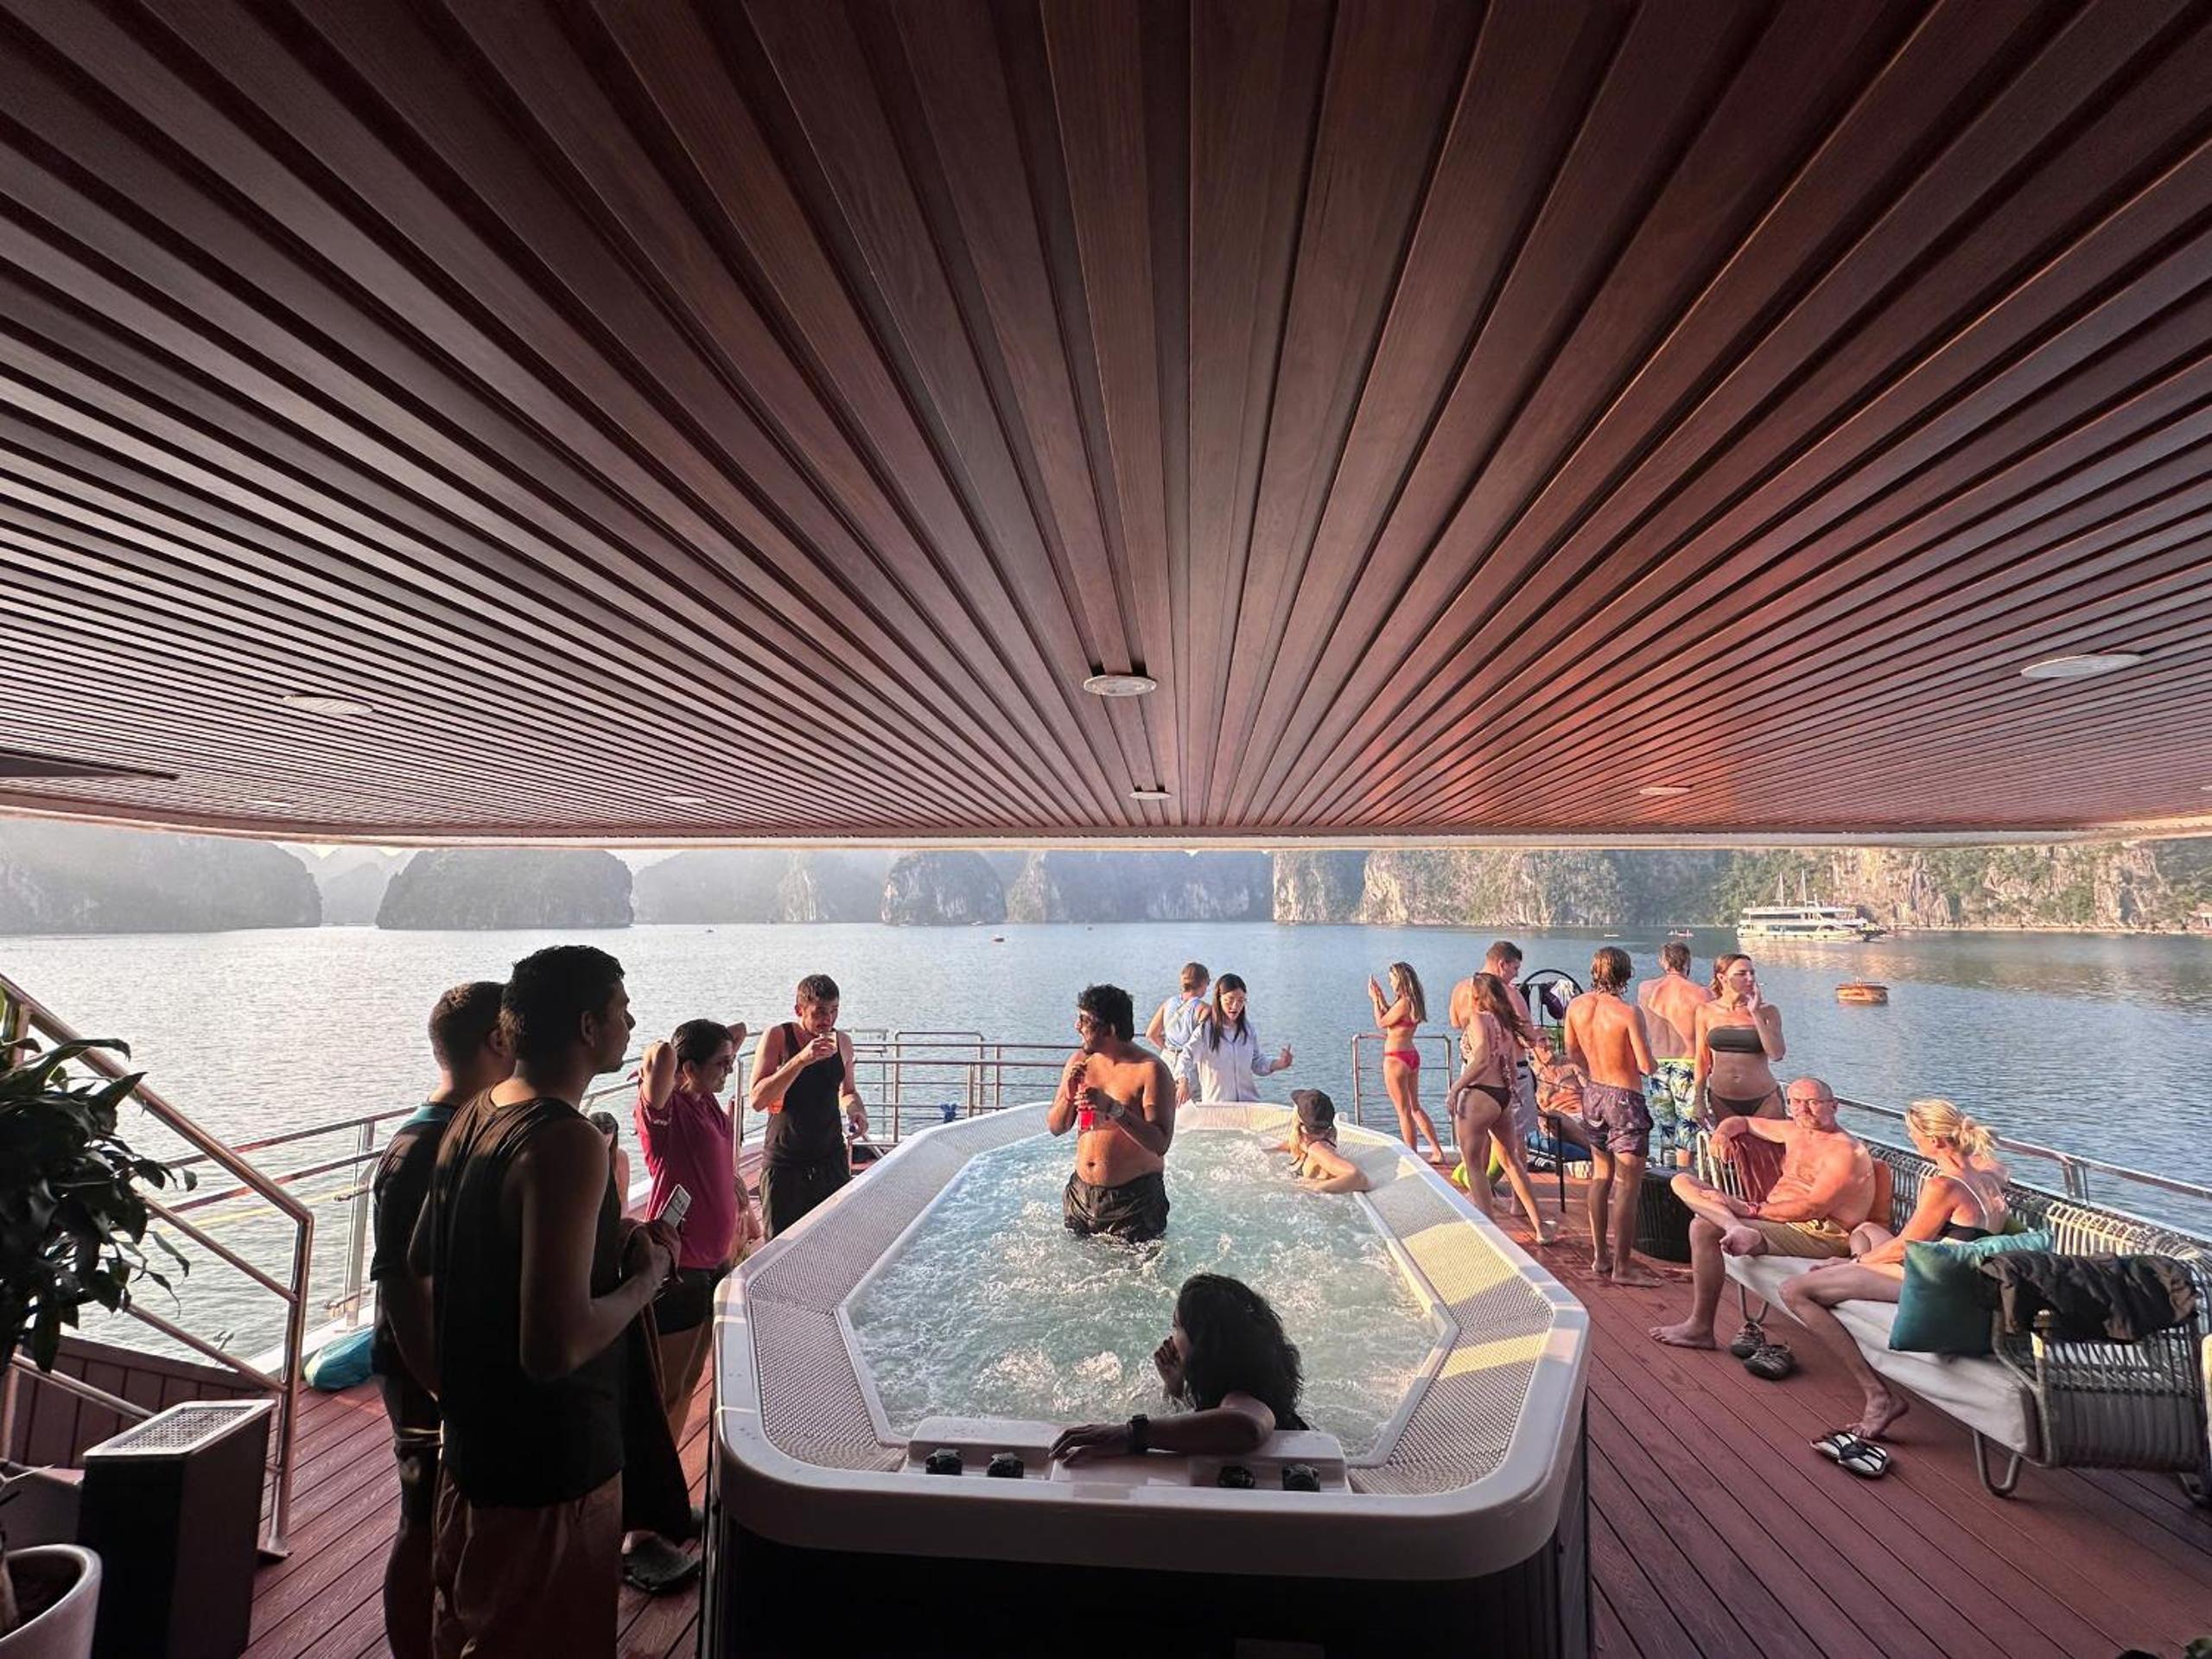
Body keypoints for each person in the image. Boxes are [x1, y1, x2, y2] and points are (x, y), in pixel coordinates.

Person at [410, 945, 678, 1657]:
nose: (631, 1023)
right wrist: (645, 1278)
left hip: (472, 1460)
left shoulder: (474, 1115)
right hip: (551, 1475)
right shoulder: (571, 1141)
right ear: (588, 1026)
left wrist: (606, 1243)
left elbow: (424, 1258)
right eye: (622, 1010)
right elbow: (553, 1348)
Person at [369, 980, 510, 1659]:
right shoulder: (424, 1147)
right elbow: (401, 1284)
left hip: (452, 1362)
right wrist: (442, 1387)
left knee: (453, 1519)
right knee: (421, 1520)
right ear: (497, 1041)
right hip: (424, 1366)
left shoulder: (461, 1130)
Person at [1779, 1099, 2009, 1440]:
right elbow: (1993, 1163)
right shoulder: (1991, 1177)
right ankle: (1849, 1274)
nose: (1912, 1140)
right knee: (1865, 1230)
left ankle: (1877, 1396)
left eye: (1914, 1134)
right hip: (1961, 1269)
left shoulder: (1944, 1186)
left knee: (1795, 1291)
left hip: (1935, 1279)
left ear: (1934, 1140)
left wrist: (1852, 1263)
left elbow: (1905, 1247)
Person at [624, 1018, 758, 1592]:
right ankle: (638, 1535)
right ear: (690, 1068)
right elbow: (659, 1057)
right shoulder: (668, 1112)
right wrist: (676, 1056)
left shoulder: (708, 1105)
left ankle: (666, 1507)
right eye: (721, 1063)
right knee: (663, 1399)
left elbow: (737, 1034)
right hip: (676, 1271)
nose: (730, 1069)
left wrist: (742, 1203)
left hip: (711, 1263)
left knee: (683, 1390)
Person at [1650, 1077, 1876, 1351]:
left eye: (1813, 1103)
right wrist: (1722, 1133)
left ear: (1834, 1106)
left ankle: (1700, 1328)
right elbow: (1744, 1122)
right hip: (1775, 1219)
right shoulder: (1795, 1131)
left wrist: (1749, 1209)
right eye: (1795, 1102)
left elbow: (1812, 1207)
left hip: (1818, 1233)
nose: (1803, 1110)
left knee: (1703, 1227)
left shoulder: (1845, 1151)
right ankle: (1734, 1227)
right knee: (1682, 1181)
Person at [1052, 1274, 1306, 1464]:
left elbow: (1247, 1426)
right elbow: (1208, 1423)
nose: (1172, 1336)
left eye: (1176, 1326)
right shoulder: (1250, 1380)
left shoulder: (1241, 1396)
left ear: (1204, 1344)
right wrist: (1175, 1390)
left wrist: (1129, 1434)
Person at [1048, 983, 1178, 1241]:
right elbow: (1056, 1127)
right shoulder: (1079, 1062)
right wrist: (1068, 1096)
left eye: (1085, 1020)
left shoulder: (1150, 1070)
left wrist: (1114, 1109)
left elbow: (1160, 1143)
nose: (1077, 1026)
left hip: (1134, 1202)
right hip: (1081, 1196)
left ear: (1110, 1029)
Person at [747, 976, 869, 1238]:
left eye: (834, 1010)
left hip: (831, 1159)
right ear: (799, 1010)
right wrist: (801, 1059)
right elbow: (757, 1099)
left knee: (834, 1240)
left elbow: (848, 1092)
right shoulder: (778, 1037)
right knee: (781, 1248)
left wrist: (856, 1111)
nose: (828, 1019)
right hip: (785, 1163)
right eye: (820, 1012)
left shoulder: (842, 1042)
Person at [1446, 972, 1554, 1243]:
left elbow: (1482, 1057)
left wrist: (1457, 1087)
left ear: (1477, 995)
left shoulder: (1478, 1019)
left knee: (1474, 1165)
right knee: (1512, 1161)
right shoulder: (1505, 1023)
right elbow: (1509, 1063)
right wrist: (1512, 1091)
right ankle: (1540, 1226)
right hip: (1503, 1097)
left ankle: (1490, 1232)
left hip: (1479, 1095)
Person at [1637, 942, 1710, 1165]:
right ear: (1687, 962)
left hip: (1657, 1066)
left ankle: (1668, 1173)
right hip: (1688, 1064)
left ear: (1663, 962)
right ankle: (1684, 1175)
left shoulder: (1645, 989)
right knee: (1687, 1131)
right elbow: (1710, 1034)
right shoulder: (1701, 993)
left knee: (1666, 1128)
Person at [1693, 952, 1786, 1123]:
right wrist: (1698, 1099)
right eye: (1741, 974)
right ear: (1722, 978)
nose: (1750, 979)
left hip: (1764, 1098)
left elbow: (1776, 1054)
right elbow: (1701, 1059)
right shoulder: (1706, 1011)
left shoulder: (1768, 1011)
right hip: (1722, 1098)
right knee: (1730, 1141)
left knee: (1768, 1141)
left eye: (1752, 973)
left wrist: (1755, 1013)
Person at [1368, 962, 1446, 1164]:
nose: (1390, 982)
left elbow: (1382, 1022)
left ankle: (1412, 1156)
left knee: (1403, 1111)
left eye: (1392, 978)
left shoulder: (1403, 1003)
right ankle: (1437, 1150)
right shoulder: (1411, 1001)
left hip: (1396, 1058)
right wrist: (1380, 998)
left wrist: (1374, 1000)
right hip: (1410, 1055)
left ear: (1400, 979)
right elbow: (1392, 1018)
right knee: (1415, 1107)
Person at [1174, 973, 1292, 1103]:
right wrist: (1183, 1081)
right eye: (1230, 1000)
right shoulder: (1205, 1031)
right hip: (1218, 1106)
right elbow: (1185, 1057)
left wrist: (1280, 1063)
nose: (1235, 1006)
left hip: (1249, 1104)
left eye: (1241, 1000)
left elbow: (1257, 1062)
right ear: (1219, 998)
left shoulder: (1247, 1029)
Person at [1274, 1089, 1371, 1195]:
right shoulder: (1304, 1141)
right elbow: (1288, 1146)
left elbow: (1358, 1178)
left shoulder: (1318, 1149)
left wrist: (1310, 1187)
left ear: (1299, 1119)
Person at [1144, 963, 1213, 1103]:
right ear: (1203, 983)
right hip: (1190, 1066)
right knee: (1193, 1106)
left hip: (1167, 1060)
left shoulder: (1168, 1003)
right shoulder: (1204, 1009)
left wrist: (1168, 1049)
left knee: (1167, 1104)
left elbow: (1151, 1034)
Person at [586, 1111, 630, 1210]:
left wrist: (622, 1218)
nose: (603, 1146)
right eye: (599, 1141)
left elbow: (623, 1195)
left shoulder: (620, 1158)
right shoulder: (580, 1159)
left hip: (611, 1211)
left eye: (607, 1141)